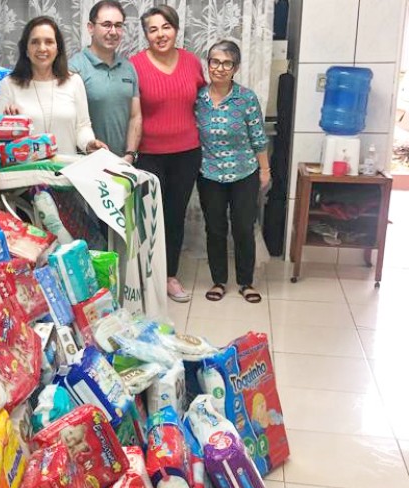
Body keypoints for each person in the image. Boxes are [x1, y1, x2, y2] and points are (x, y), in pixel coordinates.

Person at [130, 5, 206, 302]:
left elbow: (203, 102)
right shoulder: (134, 65)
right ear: (146, 34)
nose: (160, 34)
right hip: (149, 154)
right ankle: (145, 276)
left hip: (187, 153)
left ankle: (169, 276)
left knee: (175, 216)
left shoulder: (191, 62)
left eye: (166, 27)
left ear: (175, 29)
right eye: (153, 29)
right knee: (148, 219)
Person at [195, 40, 269, 303]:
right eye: (215, 61)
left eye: (227, 63)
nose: (220, 68)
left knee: (243, 227)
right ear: (208, 64)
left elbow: (258, 137)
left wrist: (264, 169)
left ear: (235, 68)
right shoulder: (198, 97)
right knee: (215, 228)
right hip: (209, 173)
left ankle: (246, 282)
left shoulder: (246, 98)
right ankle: (218, 281)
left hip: (244, 172)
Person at [0, 16, 107, 156]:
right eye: (35, 42)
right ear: (26, 50)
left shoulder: (74, 81)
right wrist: (11, 125)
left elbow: (82, 127)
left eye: (49, 42)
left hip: (65, 171)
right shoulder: (9, 85)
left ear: (57, 48)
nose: (42, 48)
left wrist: (89, 144)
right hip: (25, 173)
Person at [68, 0, 141, 160]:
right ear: (91, 28)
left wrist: (130, 154)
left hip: (124, 164)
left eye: (118, 25)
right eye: (107, 24)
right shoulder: (74, 68)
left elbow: (135, 116)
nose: (113, 31)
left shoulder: (128, 67)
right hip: (86, 163)